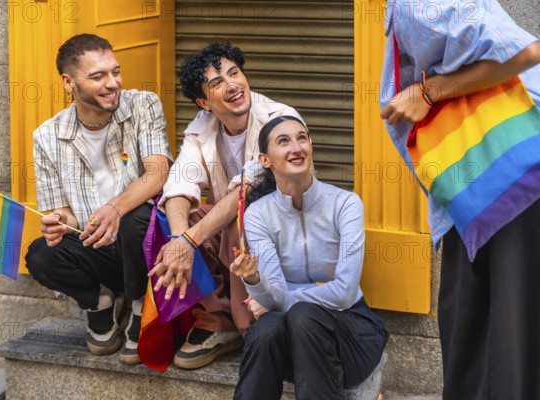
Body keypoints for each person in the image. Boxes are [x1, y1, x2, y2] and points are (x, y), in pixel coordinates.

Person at [380, 1, 540, 399]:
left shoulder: (421, 4)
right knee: (494, 332)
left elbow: (526, 52)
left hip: (502, 189)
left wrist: (429, 92)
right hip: (498, 187)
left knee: (492, 337)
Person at [150, 42, 305, 370]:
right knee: (170, 216)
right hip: (238, 236)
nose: (233, 84)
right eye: (217, 82)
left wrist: (190, 241)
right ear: (204, 102)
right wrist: (181, 239)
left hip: (289, 236)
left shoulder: (279, 120)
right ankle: (217, 320)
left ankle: (248, 324)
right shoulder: (202, 126)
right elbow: (180, 182)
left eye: (235, 73)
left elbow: (245, 188)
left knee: (244, 212)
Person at [24, 33, 172, 365]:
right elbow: (65, 212)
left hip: (145, 247)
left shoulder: (142, 105)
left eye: (115, 71)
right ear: (69, 82)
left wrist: (114, 208)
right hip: (97, 247)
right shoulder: (48, 136)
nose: (112, 83)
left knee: (137, 217)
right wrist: (60, 223)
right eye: (98, 76)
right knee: (40, 255)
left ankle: (138, 304)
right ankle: (100, 302)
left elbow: (158, 173)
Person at [229, 115, 388, 400]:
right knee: (266, 330)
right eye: (284, 141)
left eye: (302, 138)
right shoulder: (258, 214)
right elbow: (272, 297)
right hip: (293, 347)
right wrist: (255, 281)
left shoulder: (345, 204)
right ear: (265, 159)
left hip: (351, 337)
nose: (297, 147)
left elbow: (344, 292)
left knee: (298, 314)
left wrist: (277, 298)